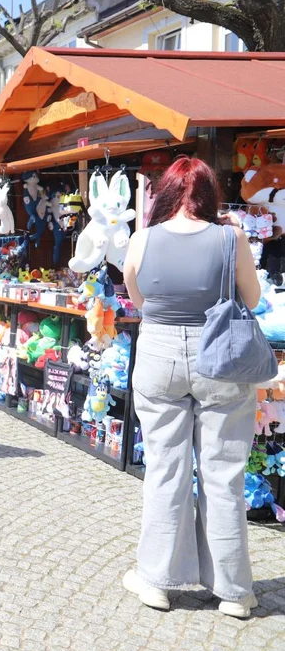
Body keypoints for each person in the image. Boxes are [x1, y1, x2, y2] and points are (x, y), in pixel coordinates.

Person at [120, 156, 262, 619]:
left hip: (159, 352)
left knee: (165, 470)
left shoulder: (142, 239)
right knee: (223, 475)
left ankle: (157, 581)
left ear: (164, 194)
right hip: (218, 354)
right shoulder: (230, 236)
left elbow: (137, 296)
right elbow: (253, 298)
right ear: (208, 194)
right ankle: (235, 592)